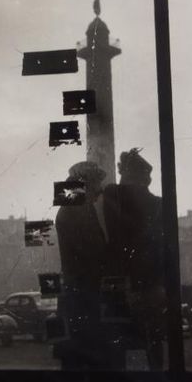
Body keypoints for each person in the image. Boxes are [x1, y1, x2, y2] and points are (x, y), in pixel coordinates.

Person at [103, 148, 166, 370]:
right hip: (153, 280)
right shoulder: (158, 203)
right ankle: (158, 379)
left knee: (129, 338)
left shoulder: (113, 193)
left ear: (125, 173)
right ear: (145, 177)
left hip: (124, 279)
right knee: (154, 338)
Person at [55, 161, 107, 369]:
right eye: (96, 183)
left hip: (76, 291)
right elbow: (94, 250)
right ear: (84, 183)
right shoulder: (78, 211)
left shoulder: (70, 208)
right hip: (83, 293)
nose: (100, 189)